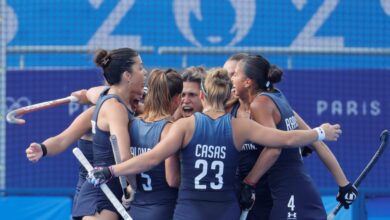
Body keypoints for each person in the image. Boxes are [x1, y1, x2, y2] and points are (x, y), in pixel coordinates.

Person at [87, 68, 342, 220]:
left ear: (202, 96)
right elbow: (286, 139)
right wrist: (320, 132)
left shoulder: (185, 126)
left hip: (189, 212)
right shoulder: (239, 126)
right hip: (226, 212)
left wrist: (110, 170)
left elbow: (152, 158)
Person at [231, 55, 357, 219]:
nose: (231, 78)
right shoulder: (278, 96)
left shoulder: (259, 104)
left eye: (235, 74)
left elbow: (274, 148)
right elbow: (317, 143)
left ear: (248, 81)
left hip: (289, 195)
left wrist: (248, 183)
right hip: (299, 190)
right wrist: (344, 184)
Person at [75, 48, 146, 220]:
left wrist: (85, 94)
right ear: (127, 75)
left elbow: (94, 92)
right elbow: (124, 159)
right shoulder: (115, 107)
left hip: (113, 191)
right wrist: (134, 188)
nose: (144, 72)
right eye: (140, 67)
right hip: (102, 196)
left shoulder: (120, 100)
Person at [128, 68, 182, 220]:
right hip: (164, 209)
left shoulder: (132, 124)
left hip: (136, 209)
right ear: (177, 99)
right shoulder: (170, 129)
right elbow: (172, 179)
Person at [25, 107, 95, 220]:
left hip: (129, 191)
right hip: (93, 195)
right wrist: (43, 148)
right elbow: (61, 140)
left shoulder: (131, 115)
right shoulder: (94, 113)